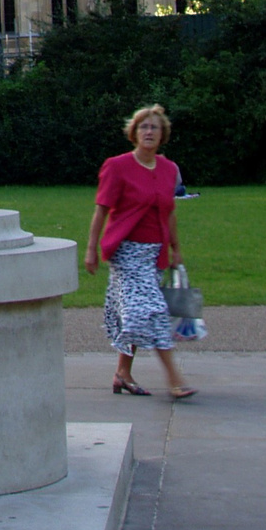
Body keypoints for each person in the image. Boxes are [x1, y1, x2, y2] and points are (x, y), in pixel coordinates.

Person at [85, 104, 196, 399]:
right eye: (143, 127)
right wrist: (91, 249)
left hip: (155, 253)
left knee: (134, 315)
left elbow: (169, 212)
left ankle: (122, 373)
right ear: (134, 133)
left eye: (154, 127)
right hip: (126, 252)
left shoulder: (169, 169)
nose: (149, 132)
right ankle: (175, 379)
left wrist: (176, 249)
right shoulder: (117, 166)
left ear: (163, 135)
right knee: (152, 311)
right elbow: (101, 211)